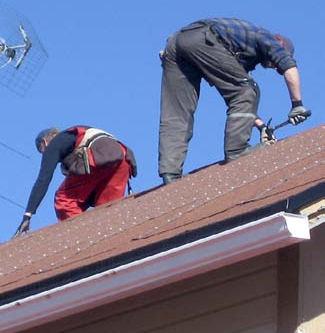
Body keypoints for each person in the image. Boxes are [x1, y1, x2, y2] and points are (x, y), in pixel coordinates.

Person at [159, 17, 309, 184]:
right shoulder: (269, 39)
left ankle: (171, 174)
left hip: (175, 44)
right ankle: (237, 150)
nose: (274, 67)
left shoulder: (240, 55)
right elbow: (289, 68)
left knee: (177, 112)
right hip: (202, 38)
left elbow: (235, 97)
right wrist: (297, 105)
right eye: (274, 64)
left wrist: (261, 126)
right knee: (248, 89)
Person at [14, 125, 137, 235]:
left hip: (97, 158)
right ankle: (110, 238)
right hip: (123, 158)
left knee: (64, 199)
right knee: (106, 211)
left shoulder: (54, 144)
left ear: (45, 142)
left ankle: (83, 236)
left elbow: (43, 179)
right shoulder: (75, 136)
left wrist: (28, 215)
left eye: (43, 152)